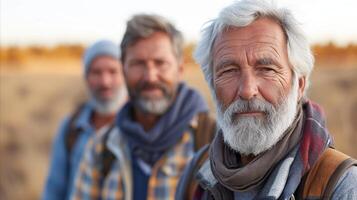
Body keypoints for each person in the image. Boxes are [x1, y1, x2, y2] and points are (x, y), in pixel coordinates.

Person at [176, 0, 357, 199]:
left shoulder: (341, 185)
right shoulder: (198, 171)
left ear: (300, 85)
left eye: (267, 69)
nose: (247, 90)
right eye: (229, 70)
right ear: (212, 85)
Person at [71, 14, 215, 200]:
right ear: (123, 69)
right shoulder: (101, 148)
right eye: (138, 64)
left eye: (160, 63)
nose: (150, 76)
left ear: (180, 69)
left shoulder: (213, 143)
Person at [43, 40, 127, 200]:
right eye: (96, 72)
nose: (105, 82)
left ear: (125, 74)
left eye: (113, 71)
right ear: (86, 77)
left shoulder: (141, 126)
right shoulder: (71, 127)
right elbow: (54, 189)